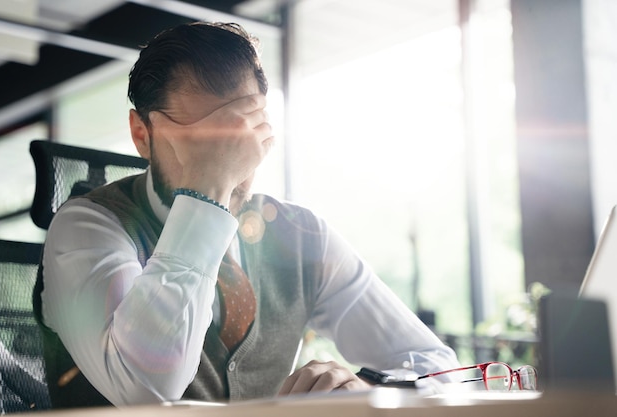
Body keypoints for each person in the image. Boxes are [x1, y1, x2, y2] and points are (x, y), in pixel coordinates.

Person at [33, 21, 459, 409]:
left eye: (241, 135)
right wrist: (207, 194)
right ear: (142, 135)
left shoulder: (299, 235)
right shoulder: (85, 228)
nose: (230, 161)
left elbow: (437, 365)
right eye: (203, 143)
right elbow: (148, 390)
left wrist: (367, 386)